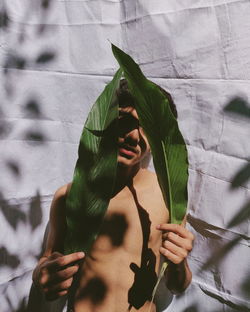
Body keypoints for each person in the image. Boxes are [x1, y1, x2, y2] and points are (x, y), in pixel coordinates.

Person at [32, 79, 194, 312]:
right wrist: (42, 274)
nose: (134, 136)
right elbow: (48, 261)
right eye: (126, 121)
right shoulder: (70, 196)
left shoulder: (169, 198)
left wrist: (179, 265)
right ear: (107, 121)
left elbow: (178, 286)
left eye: (147, 127)